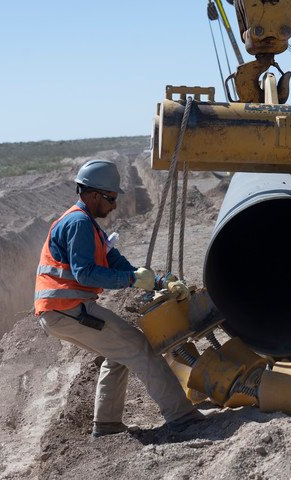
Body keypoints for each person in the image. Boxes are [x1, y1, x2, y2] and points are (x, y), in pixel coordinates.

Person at [34, 159, 202, 437]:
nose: (113, 205)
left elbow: (118, 263)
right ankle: (182, 416)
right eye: (110, 198)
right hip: (67, 308)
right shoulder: (78, 223)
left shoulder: (90, 225)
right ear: (92, 194)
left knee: (118, 352)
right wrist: (132, 280)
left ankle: (107, 425)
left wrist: (157, 280)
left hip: (61, 310)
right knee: (137, 345)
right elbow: (85, 274)